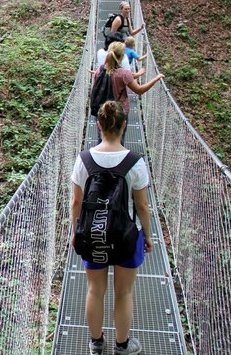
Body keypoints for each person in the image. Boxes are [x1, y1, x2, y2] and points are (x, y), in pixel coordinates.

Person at [71, 101, 153, 355]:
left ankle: (97, 344)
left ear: (99, 125)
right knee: (124, 292)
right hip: (128, 235)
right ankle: (122, 345)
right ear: (124, 126)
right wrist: (147, 236)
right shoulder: (135, 162)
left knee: (95, 290)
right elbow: (141, 206)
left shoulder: (84, 159)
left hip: (93, 233)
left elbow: (76, 201)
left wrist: (75, 232)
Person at [94, 42, 160, 142]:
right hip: (119, 111)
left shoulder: (99, 70)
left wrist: (136, 75)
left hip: (103, 109)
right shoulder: (124, 73)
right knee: (118, 139)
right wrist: (155, 79)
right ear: (122, 56)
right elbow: (139, 90)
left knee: (102, 137)